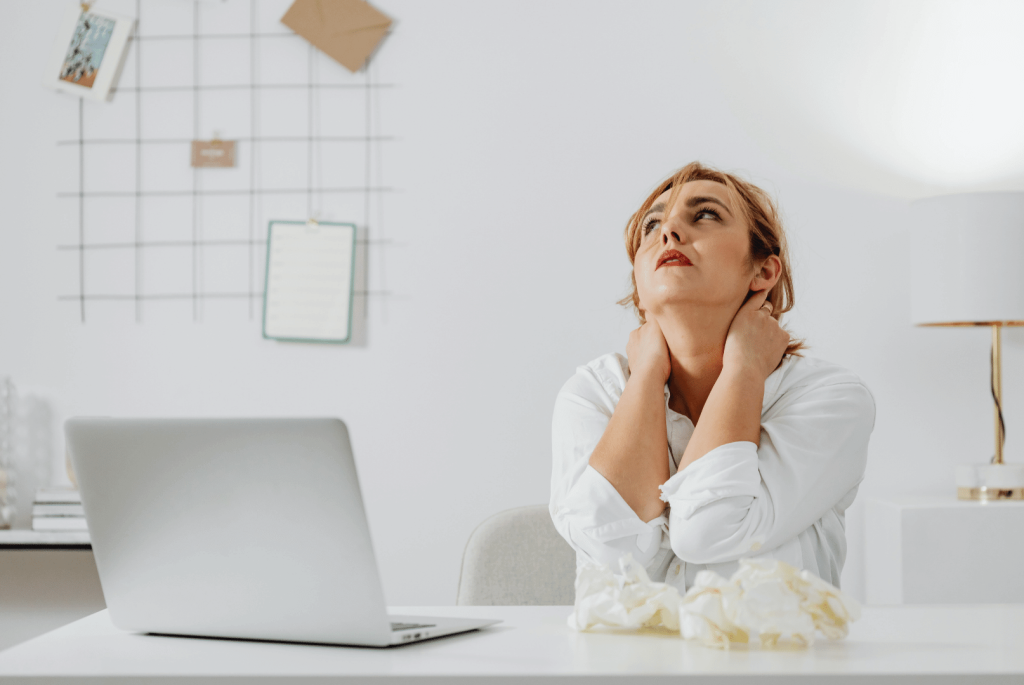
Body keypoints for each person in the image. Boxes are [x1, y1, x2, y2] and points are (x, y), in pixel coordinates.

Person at [549, 162, 874, 592]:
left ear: (763, 271)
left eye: (704, 214)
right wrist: (646, 374)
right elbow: (611, 549)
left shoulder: (830, 399)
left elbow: (708, 530)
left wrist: (744, 368)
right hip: (623, 660)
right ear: (638, 285)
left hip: (773, 659)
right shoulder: (594, 393)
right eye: (652, 225)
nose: (669, 232)